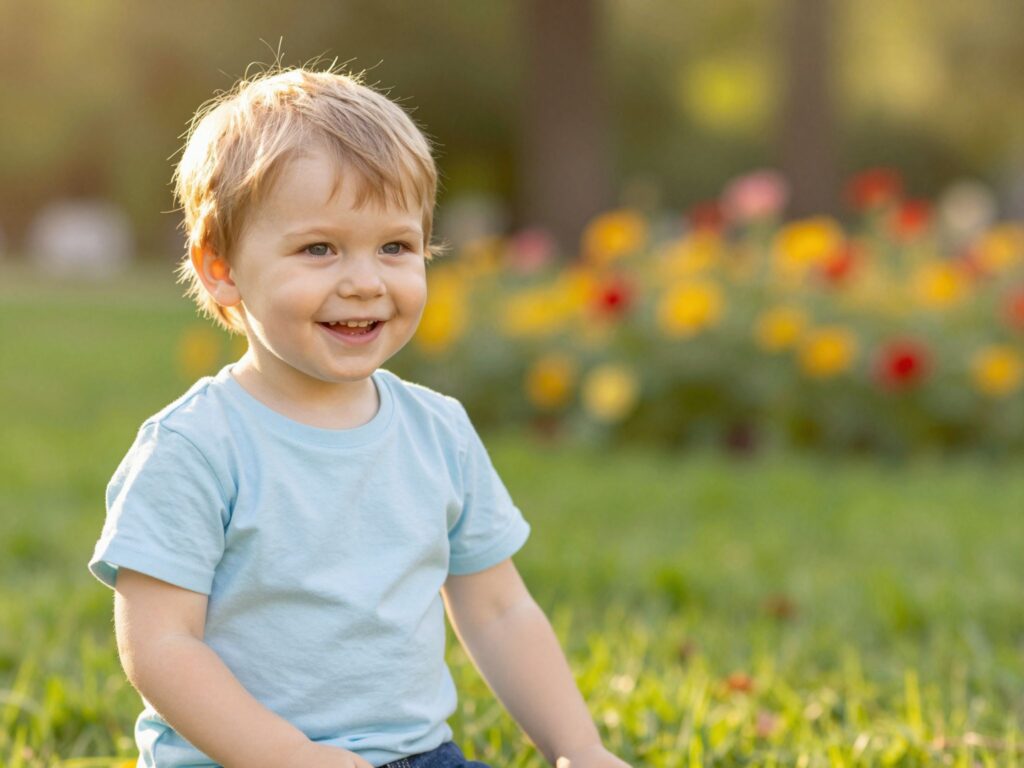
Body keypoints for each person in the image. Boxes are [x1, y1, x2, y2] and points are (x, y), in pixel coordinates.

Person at [87, 66, 631, 768]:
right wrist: (290, 757)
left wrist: (579, 748)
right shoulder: (195, 446)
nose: (366, 281)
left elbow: (499, 611)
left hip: (415, 755)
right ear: (219, 267)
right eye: (319, 248)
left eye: (396, 247)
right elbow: (161, 648)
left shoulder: (437, 433)